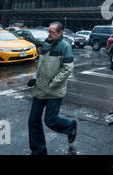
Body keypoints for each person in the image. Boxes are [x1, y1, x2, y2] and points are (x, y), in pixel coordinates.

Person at [27, 22, 77, 155]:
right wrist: (35, 78)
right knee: (33, 120)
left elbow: (68, 69)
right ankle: (39, 150)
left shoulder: (65, 46)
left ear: (60, 33)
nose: (49, 34)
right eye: (48, 31)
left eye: (52, 32)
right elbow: (41, 64)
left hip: (54, 90)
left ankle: (70, 126)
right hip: (40, 89)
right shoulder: (45, 44)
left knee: (51, 121)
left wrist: (52, 84)